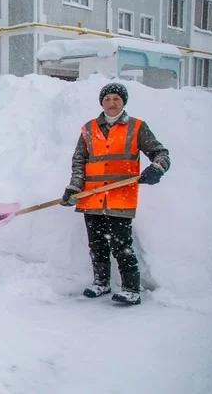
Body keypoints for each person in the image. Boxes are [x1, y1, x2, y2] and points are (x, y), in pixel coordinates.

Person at [60, 82, 170, 305]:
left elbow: (160, 153)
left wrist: (157, 168)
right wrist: (74, 187)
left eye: (116, 99)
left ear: (123, 102)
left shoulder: (137, 127)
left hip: (121, 198)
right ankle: (101, 282)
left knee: (121, 245)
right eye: (107, 99)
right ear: (101, 102)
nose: (111, 103)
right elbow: (79, 161)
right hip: (92, 198)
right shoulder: (89, 128)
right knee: (97, 244)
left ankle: (131, 289)